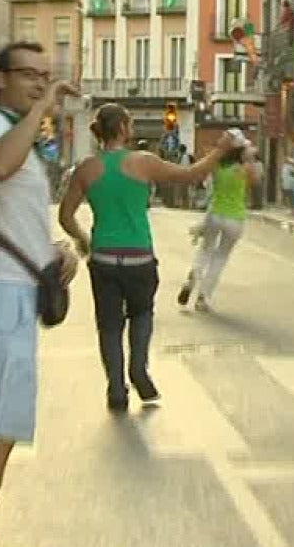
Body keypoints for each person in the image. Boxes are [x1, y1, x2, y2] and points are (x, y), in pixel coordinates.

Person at [0, 41, 81, 547]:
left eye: (45, 75)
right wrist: (42, 111)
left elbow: (7, 210)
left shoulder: (15, 134)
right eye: (28, 74)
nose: (38, 83)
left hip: (12, 294)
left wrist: (53, 251)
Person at [58, 103, 236, 410]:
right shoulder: (143, 162)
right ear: (125, 129)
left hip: (103, 260)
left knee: (109, 325)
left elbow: (65, 216)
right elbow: (191, 174)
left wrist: (84, 240)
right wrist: (219, 151)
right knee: (141, 315)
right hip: (139, 257)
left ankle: (116, 388)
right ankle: (138, 370)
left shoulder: (86, 168)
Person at [177, 142, 261, 312]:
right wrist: (249, 160)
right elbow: (255, 181)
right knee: (220, 257)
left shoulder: (218, 167)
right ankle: (203, 297)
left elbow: (204, 178)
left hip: (214, 213)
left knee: (205, 249)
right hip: (235, 218)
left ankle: (194, 274)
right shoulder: (244, 169)